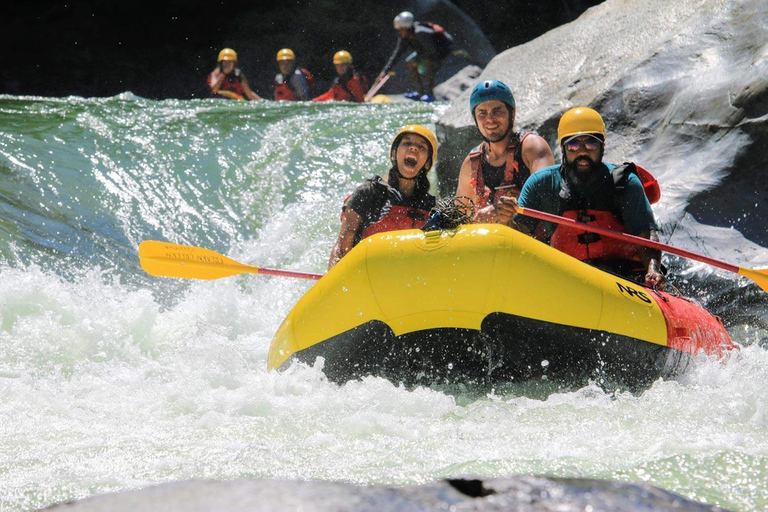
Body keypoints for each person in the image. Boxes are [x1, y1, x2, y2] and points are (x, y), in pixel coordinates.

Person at [510, 107, 666, 288]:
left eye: (591, 144)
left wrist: (653, 269)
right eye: (574, 145)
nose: (582, 152)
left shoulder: (625, 183)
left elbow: (646, 234)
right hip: (568, 277)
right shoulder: (541, 183)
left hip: (624, 277)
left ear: (602, 147)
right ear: (563, 148)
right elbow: (518, 232)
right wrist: (505, 218)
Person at [329, 124, 438, 269]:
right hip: (366, 276)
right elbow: (341, 249)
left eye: (422, 147)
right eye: (407, 143)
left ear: (427, 162)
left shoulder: (430, 208)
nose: (413, 148)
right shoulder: (368, 194)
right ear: (394, 153)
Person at [455, 80, 554, 225]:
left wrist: (504, 211)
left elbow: (547, 199)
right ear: (475, 119)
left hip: (530, 242)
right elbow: (457, 220)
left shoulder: (532, 147)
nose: (490, 119)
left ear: (512, 114)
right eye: (482, 113)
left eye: (497, 110)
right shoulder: (471, 163)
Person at [374, 11, 454, 102]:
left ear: (406, 28)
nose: (399, 32)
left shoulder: (421, 33)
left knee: (428, 62)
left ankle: (429, 93)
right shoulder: (404, 37)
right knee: (410, 61)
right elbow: (397, 54)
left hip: (441, 50)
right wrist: (385, 71)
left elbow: (433, 51)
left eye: (401, 29)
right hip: (425, 52)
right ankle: (420, 93)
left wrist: (421, 61)